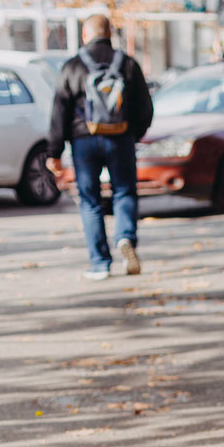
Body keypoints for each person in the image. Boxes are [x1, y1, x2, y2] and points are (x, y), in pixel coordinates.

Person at [45, 14, 153, 281]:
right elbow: (146, 108)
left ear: (85, 35)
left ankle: (99, 263)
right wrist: (132, 134)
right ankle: (125, 237)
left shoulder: (72, 66)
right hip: (121, 139)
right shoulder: (127, 64)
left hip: (85, 142)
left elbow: (60, 110)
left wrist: (54, 152)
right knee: (124, 192)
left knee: (91, 202)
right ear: (110, 34)